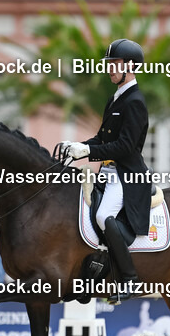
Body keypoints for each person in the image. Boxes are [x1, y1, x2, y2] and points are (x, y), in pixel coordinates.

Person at [59, 38, 150, 301]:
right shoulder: (115, 98)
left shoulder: (135, 101)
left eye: (116, 63)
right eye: (109, 63)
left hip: (126, 175)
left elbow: (125, 146)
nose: (110, 68)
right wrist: (78, 146)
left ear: (130, 66)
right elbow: (102, 138)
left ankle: (129, 278)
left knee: (102, 215)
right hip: (107, 173)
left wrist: (89, 152)